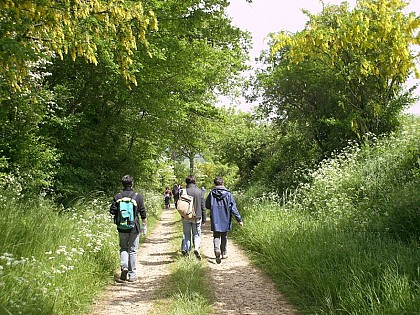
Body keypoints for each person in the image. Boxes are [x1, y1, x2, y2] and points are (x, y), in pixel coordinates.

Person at [110, 175, 147, 282]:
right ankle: (132, 275)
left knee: (123, 248)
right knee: (133, 250)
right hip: (134, 227)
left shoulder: (118, 196)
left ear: (122, 184)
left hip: (122, 227)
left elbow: (112, 211)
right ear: (132, 183)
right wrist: (144, 225)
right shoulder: (137, 196)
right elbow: (143, 212)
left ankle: (124, 267)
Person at [205, 176, 243, 264]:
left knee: (216, 235)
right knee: (224, 235)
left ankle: (217, 250)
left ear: (215, 183)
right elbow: (233, 208)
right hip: (226, 217)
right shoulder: (229, 194)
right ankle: (224, 252)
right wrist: (239, 219)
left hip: (215, 217)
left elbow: (207, 205)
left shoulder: (211, 193)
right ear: (223, 183)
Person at [180, 175, 206, 260]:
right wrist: (204, 218)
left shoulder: (183, 191)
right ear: (195, 181)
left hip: (186, 216)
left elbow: (179, 205)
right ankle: (196, 248)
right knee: (197, 234)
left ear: (186, 182)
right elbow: (203, 206)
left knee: (187, 235)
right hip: (197, 216)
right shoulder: (199, 191)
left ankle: (188, 252)